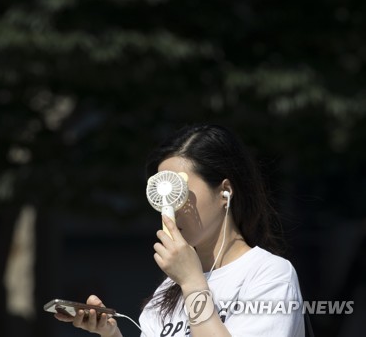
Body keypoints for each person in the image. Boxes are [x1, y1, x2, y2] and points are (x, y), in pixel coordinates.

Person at [54, 124, 305, 336]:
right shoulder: (168, 291)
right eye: (160, 195)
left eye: (178, 191)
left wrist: (192, 282)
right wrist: (110, 334)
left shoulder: (269, 275)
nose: (168, 209)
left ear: (225, 192)